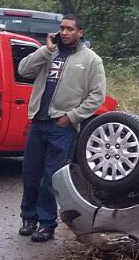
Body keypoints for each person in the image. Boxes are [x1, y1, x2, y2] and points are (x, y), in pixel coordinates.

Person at [16, 13, 106, 242]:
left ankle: (47, 224)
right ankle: (29, 218)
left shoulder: (91, 60)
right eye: (62, 28)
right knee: (29, 172)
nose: (64, 33)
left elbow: (97, 96)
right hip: (38, 122)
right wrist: (45, 50)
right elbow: (23, 70)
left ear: (80, 32)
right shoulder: (50, 53)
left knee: (50, 177)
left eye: (70, 29)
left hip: (61, 127)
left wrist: (71, 117)